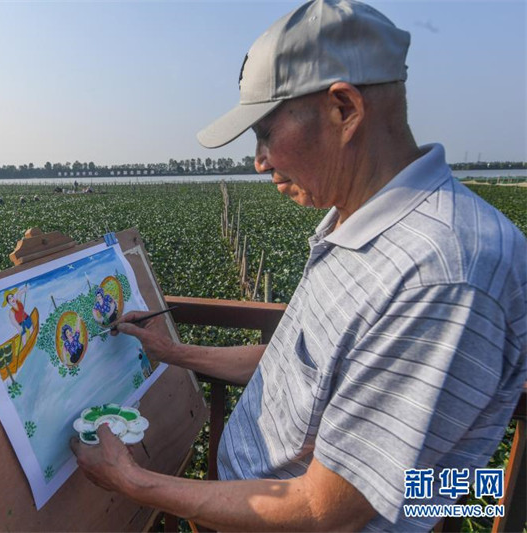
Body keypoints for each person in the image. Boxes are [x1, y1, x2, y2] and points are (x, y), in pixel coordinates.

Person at [70, 1, 527, 531]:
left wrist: (133, 482)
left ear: (344, 111)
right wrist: (172, 352)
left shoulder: (443, 272)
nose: (259, 160)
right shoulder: (352, 221)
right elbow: (300, 368)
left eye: (265, 133)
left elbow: (325, 509)